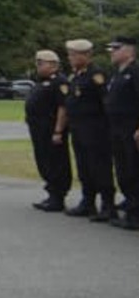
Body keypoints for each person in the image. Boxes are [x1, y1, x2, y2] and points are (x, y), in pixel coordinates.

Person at [56, 38, 115, 221]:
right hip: (78, 127)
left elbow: (106, 102)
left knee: (100, 166)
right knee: (84, 166)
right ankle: (88, 201)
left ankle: (108, 204)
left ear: (86, 55)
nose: (70, 58)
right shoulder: (76, 76)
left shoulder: (96, 75)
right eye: (70, 55)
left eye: (74, 55)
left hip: (95, 129)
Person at [25, 50, 72, 212]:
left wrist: (58, 130)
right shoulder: (43, 81)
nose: (37, 66)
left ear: (53, 65)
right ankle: (51, 193)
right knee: (44, 161)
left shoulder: (60, 82)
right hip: (39, 129)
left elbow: (63, 107)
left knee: (56, 162)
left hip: (51, 129)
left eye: (41, 63)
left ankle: (58, 196)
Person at [102, 35, 139, 231]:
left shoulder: (134, 71)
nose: (112, 53)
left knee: (133, 169)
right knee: (123, 169)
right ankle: (130, 203)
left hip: (130, 128)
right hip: (116, 128)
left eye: (116, 49)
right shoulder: (116, 74)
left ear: (128, 50)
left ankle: (135, 214)